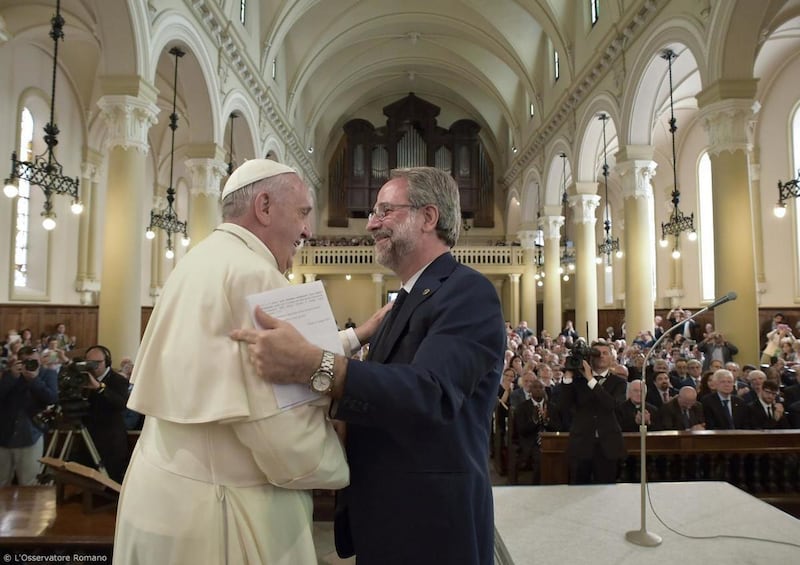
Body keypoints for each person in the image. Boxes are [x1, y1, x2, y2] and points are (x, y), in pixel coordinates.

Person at [113, 160, 385, 565]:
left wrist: (351, 337)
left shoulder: (199, 260)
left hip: (163, 498)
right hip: (221, 516)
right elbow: (282, 434)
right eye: (302, 213)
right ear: (264, 206)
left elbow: (220, 367)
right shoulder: (256, 275)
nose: (307, 230)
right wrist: (345, 462)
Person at [232, 166, 505, 565]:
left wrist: (318, 365)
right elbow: (381, 401)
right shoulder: (403, 304)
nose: (371, 223)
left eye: (384, 211)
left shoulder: (467, 292)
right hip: (390, 515)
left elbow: (430, 392)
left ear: (429, 218)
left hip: (432, 525)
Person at [557, 340, 626, 485]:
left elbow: (610, 404)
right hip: (581, 444)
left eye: (605, 353)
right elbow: (563, 406)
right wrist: (568, 377)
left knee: (606, 489)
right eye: (596, 354)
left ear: (612, 358)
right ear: (590, 358)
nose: (601, 356)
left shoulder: (618, 382)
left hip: (608, 444)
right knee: (578, 488)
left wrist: (590, 378)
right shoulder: (577, 381)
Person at [0, 347, 58, 485]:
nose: (32, 364)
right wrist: (11, 377)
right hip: (4, 436)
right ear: (19, 361)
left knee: (29, 482)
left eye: (35, 361)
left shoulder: (47, 374)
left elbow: (52, 398)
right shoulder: (10, 375)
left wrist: (34, 380)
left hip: (31, 434)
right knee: (2, 481)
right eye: (27, 361)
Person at [79, 345, 131, 484]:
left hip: (110, 441)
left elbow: (121, 404)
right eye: (89, 363)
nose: (93, 366)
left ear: (107, 362)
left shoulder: (118, 380)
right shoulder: (82, 379)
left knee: (110, 481)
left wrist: (99, 387)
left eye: (97, 363)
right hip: (88, 436)